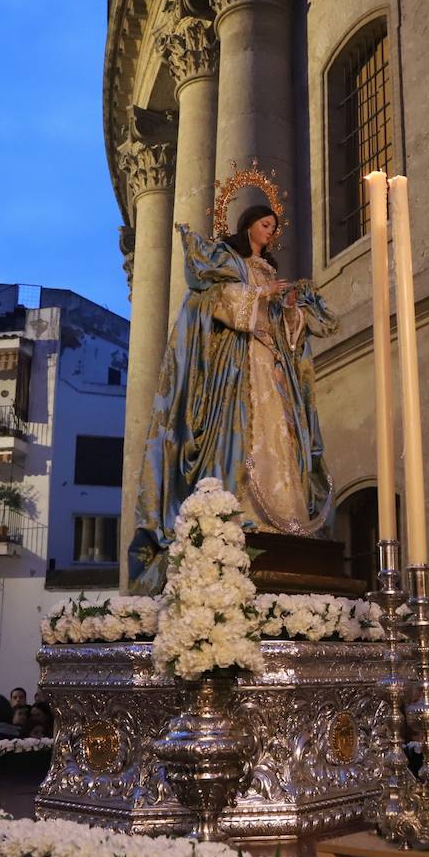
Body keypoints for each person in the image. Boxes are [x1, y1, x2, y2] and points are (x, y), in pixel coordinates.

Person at [129, 206, 338, 591]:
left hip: (273, 363)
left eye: (274, 227)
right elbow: (219, 301)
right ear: (248, 227)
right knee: (247, 434)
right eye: (265, 225)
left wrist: (289, 310)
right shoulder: (231, 262)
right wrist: (260, 293)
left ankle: (285, 521)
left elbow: (285, 334)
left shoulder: (270, 269)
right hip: (240, 365)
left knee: (283, 438)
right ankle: (245, 515)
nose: (270, 232)